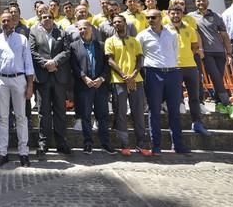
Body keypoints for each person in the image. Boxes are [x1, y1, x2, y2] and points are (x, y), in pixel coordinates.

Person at [137, 9, 190, 155]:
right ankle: (156, 146)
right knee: (154, 110)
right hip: (153, 73)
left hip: (172, 73)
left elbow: (175, 52)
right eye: (148, 18)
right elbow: (140, 56)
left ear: (161, 18)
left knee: (174, 111)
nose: (150, 20)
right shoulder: (142, 36)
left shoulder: (172, 34)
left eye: (153, 17)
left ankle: (178, 145)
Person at [0, 12, 35, 167]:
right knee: (2, 118)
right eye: (3, 21)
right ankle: (2, 153)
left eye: (8, 20)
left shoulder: (22, 39)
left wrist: (30, 86)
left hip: (18, 79)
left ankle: (24, 153)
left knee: (21, 117)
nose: (6, 23)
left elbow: (28, 63)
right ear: (0, 23)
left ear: (14, 22)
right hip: (0, 80)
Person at [105, 15, 151, 156]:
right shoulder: (110, 41)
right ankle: (125, 144)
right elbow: (110, 60)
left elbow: (140, 59)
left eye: (120, 21)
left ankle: (141, 143)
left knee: (138, 111)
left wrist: (133, 75)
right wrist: (124, 75)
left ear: (125, 23)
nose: (117, 24)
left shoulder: (134, 41)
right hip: (118, 81)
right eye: (115, 22)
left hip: (136, 80)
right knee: (121, 112)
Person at [70, 21, 116, 155]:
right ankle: (88, 143)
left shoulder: (101, 46)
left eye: (85, 28)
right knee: (85, 116)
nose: (83, 30)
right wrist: (85, 78)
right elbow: (74, 66)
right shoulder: (74, 46)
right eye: (80, 29)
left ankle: (106, 143)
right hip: (84, 86)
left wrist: (101, 78)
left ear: (91, 29)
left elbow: (107, 65)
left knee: (102, 116)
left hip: (100, 86)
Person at [190, 0, 233, 119]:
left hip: (219, 52)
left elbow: (224, 35)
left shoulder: (217, 16)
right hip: (206, 52)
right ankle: (228, 104)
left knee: (219, 78)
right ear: (195, 3)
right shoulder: (191, 17)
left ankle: (218, 103)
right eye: (198, 1)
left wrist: (228, 52)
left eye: (203, 1)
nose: (201, 3)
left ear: (208, 2)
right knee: (216, 77)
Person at [30, 11, 71, 155]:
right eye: (44, 17)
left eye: (49, 17)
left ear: (53, 19)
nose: (47, 19)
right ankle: (43, 143)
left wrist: (55, 62)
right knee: (43, 112)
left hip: (58, 77)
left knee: (60, 110)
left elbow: (67, 51)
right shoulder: (34, 32)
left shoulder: (62, 32)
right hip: (43, 77)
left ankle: (61, 142)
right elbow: (32, 51)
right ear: (40, 20)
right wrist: (45, 63)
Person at [167, 6, 210, 136]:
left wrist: (187, 56)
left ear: (182, 14)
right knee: (173, 98)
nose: (175, 15)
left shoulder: (190, 29)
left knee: (194, 97)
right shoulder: (164, 31)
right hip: (173, 67)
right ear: (168, 14)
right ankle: (175, 126)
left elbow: (195, 46)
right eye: (173, 13)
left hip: (190, 66)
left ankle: (197, 123)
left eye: (178, 13)